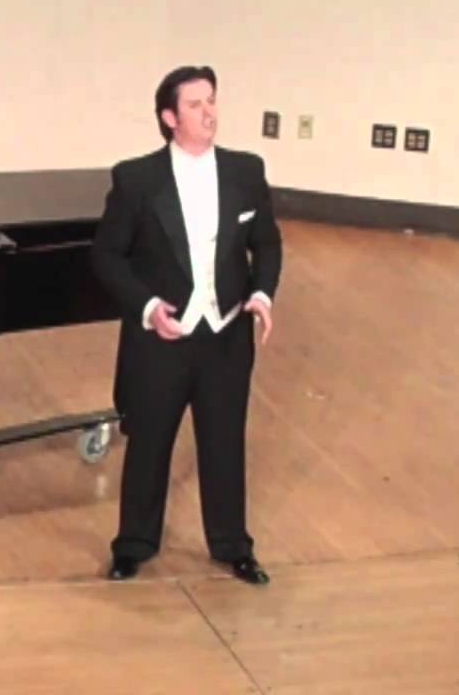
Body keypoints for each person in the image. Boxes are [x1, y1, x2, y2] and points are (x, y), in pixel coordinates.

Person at [90, 65, 282, 585]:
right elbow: (107, 256)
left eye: (212, 100)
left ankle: (232, 546)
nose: (209, 112)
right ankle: (134, 544)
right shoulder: (136, 180)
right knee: (150, 443)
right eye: (195, 105)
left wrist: (262, 292)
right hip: (162, 338)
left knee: (225, 442)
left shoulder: (246, 171)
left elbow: (266, 242)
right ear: (170, 118)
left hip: (226, 335)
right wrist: (148, 306)